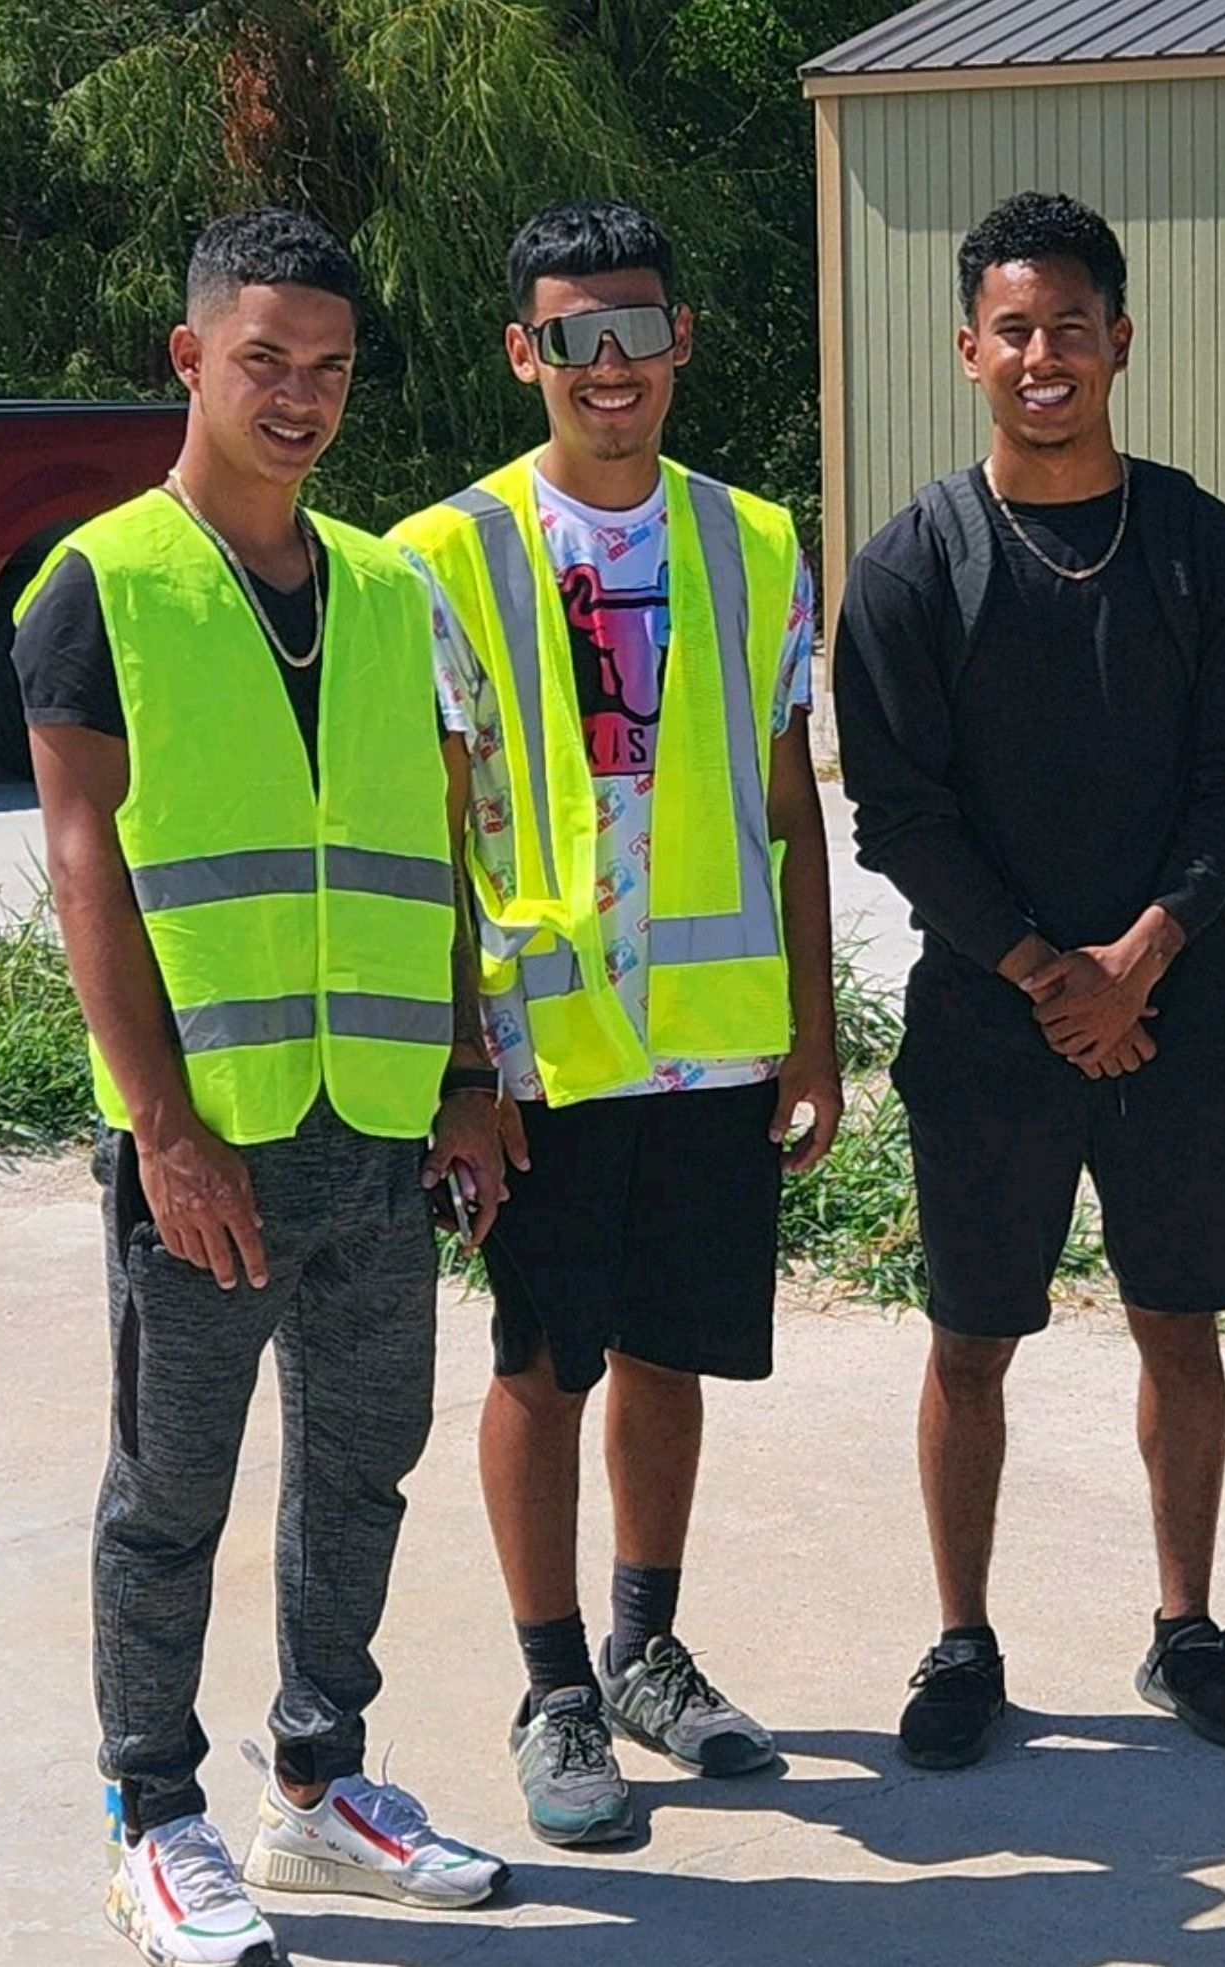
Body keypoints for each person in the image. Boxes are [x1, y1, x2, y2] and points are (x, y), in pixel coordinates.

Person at [13, 209, 509, 1967]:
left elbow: (434, 845)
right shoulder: (100, 586)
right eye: (265, 362)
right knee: (173, 1497)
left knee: (363, 1466)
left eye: (330, 371)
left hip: (376, 1125)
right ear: (190, 360)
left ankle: (321, 1788)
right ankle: (152, 1817)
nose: (299, 400)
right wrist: (162, 1131)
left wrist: (468, 1070)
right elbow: (84, 868)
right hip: (206, 1139)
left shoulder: (388, 588)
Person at [834, 191, 1225, 1770]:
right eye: (1014, 330)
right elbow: (896, 812)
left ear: (1122, 340)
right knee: (972, 1340)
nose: (1046, 356)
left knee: (1182, 1325)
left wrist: (1144, 955)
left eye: (1073, 327)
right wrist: (1048, 972)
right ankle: (962, 1639)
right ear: (970, 348)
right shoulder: (915, 565)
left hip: (1173, 1007)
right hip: (990, 1018)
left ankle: (1187, 1628)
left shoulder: (1202, 547)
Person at [394, 200, 840, 1847]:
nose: (609, 365)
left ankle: (650, 1651)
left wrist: (812, 1030)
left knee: (670, 1354)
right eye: (572, 336)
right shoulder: (446, 553)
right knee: (542, 1361)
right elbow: (436, 833)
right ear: (525, 354)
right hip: (540, 1056)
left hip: (716, 1045)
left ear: (679, 343)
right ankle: (556, 1684)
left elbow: (793, 807)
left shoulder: (757, 540)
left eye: (634, 329)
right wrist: (459, 1066)